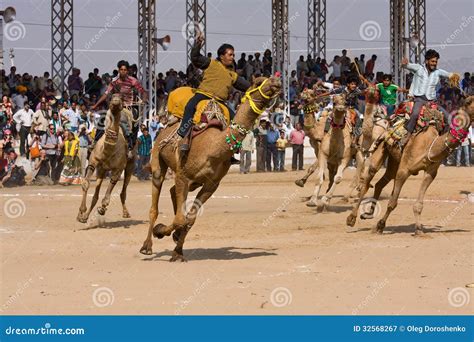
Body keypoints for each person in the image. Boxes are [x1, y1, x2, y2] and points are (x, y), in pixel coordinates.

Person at [177, 32, 250, 154]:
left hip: (221, 102)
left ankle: (231, 149)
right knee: (190, 106)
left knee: (235, 121)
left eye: (233, 55)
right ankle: (184, 137)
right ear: (221, 56)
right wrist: (198, 43)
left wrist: (262, 86)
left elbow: (247, 87)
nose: (232, 57)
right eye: (230, 54)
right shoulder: (210, 63)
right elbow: (195, 58)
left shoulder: (232, 74)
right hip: (203, 95)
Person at [92, 60, 148, 158]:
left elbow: (143, 91)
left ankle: (131, 146)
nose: (123, 71)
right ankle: (95, 142)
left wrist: (143, 100)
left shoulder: (133, 81)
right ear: (118, 70)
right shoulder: (114, 82)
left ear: (127, 71)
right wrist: (95, 105)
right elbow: (105, 94)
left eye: (125, 70)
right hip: (115, 108)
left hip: (128, 107)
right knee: (102, 118)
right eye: (121, 69)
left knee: (132, 122)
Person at [400, 49, 455, 146]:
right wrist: (404, 64)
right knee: (415, 114)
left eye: (436, 61)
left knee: (448, 117)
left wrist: (454, 76)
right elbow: (407, 66)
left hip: (432, 102)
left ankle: (445, 139)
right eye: (432, 61)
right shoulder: (418, 68)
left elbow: (449, 75)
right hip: (419, 99)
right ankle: (408, 135)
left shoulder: (438, 72)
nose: (434, 63)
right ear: (426, 61)